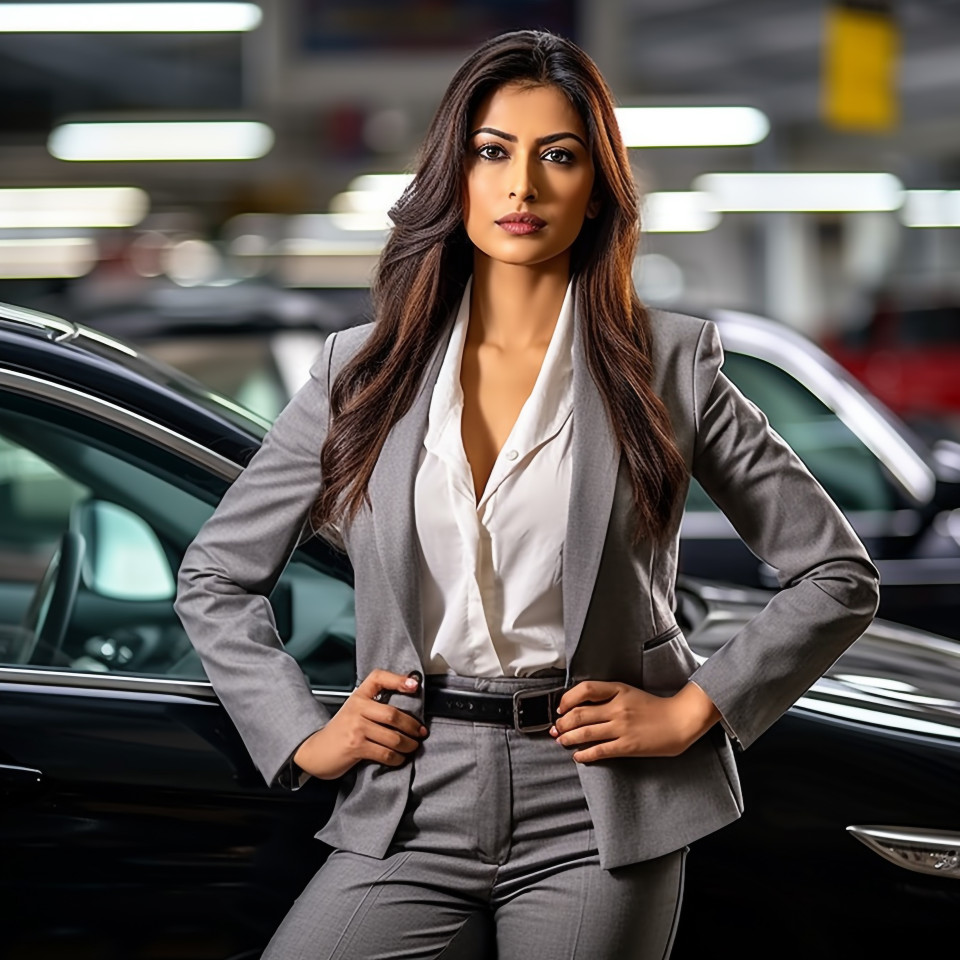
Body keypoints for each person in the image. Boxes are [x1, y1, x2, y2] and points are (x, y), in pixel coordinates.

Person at [174, 29, 880, 960]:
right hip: (415, 788)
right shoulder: (364, 370)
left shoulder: (669, 365)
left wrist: (692, 710)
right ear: (454, 174)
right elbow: (217, 575)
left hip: (597, 798)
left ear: (596, 189)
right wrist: (302, 734)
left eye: (559, 156)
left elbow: (835, 573)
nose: (522, 186)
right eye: (493, 152)